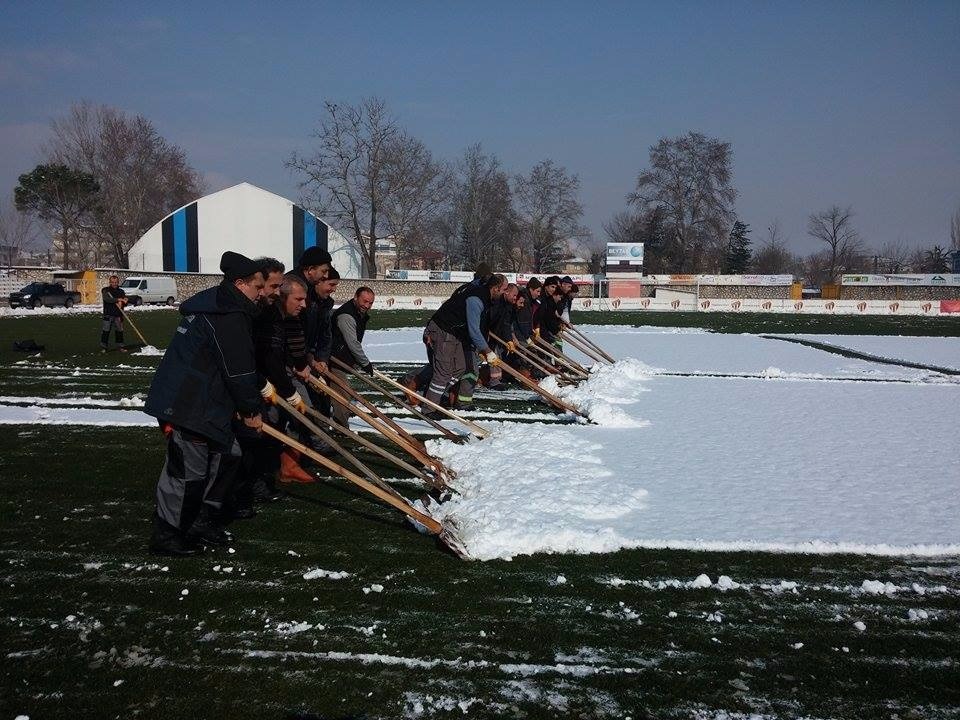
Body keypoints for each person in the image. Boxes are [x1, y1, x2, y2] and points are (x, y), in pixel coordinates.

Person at [145, 251, 265, 557]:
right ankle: (168, 534)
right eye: (257, 286)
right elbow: (238, 370)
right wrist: (251, 410)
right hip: (189, 403)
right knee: (189, 471)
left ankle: (200, 518)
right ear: (240, 284)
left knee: (229, 455)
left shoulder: (222, 307)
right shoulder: (227, 316)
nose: (262, 293)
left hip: (206, 400)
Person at [421, 273, 507, 410]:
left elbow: (481, 327)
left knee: (460, 368)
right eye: (504, 289)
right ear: (495, 288)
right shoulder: (476, 299)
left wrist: (483, 347)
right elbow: (474, 330)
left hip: (455, 333)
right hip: (443, 329)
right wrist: (487, 351)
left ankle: (434, 396)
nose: (504, 293)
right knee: (443, 372)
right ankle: (429, 408)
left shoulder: (486, 299)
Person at [328, 286, 376, 428]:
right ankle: (341, 426)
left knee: (338, 392)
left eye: (370, 303)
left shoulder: (358, 313)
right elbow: (352, 343)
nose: (367, 305)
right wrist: (365, 363)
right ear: (355, 297)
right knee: (343, 394)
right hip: (333, 359)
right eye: (365, 301)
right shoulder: (347, 316)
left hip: (342, 357)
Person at [100, 275, 128, 352]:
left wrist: (123, 302)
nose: (114, 284)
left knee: (119, 331)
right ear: (110, 282)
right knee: (106, 331)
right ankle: (104, 347)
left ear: (118, 282)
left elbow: (124, 301)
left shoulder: (121, 291)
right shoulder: (105, 290)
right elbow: (107, 299)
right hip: (108, 314)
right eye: (112, 282)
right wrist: (118, 299)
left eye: (116, 282)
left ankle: (120, 346)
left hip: (118, 314)